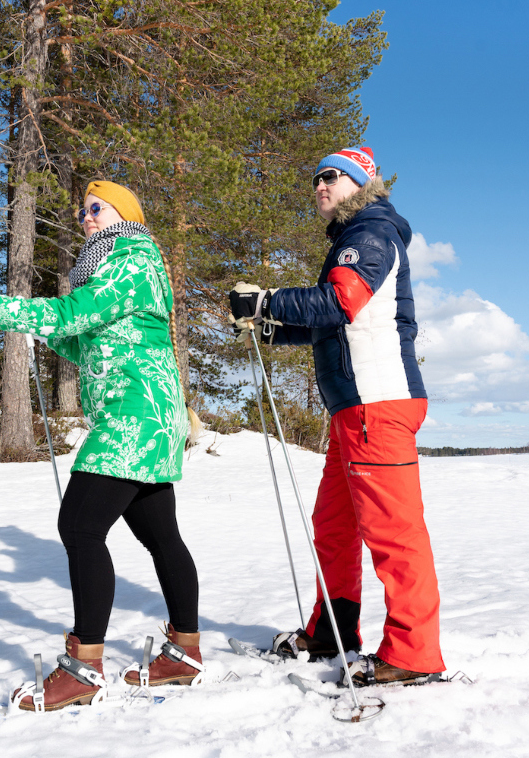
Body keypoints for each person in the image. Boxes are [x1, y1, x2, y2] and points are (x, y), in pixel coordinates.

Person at [0, 181, 203, 711]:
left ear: (124, 216)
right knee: (160, 534)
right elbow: (74, 336)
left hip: (135, 415)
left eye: (96, 209)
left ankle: (85, 669)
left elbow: (71, 315)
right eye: (82, 211)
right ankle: (184, 653)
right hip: (143, 415)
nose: (85, 218)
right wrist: (4, 317)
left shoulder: (134, 256)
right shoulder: (112, 265)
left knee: (80, 527)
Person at [228, 147, 445, 686]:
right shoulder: (352, 238)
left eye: (330, 176)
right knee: (334, 524)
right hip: (353, 411)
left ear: (359, 182)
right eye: (316, 178)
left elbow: (340, 301)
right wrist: (271, 325)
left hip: (379, 403)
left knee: (394, 534)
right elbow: (333, 322)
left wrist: (269, 302)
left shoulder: (370, 234)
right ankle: (333, 631)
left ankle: (414, 654)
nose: (319, 186)